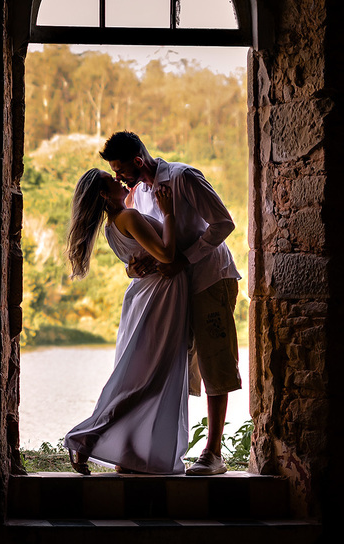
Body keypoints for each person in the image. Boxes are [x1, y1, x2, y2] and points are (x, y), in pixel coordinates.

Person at [101, 130, 243, 476]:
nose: (119, 179)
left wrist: (185, 259)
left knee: (214, 361)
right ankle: (158, 449)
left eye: (121, 171)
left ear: (138, 161)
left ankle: (212, 454)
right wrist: (132, 267)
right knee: (174, 367)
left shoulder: (183, 178)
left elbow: (224, 223)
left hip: (209, 279)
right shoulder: (140, 195)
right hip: (173, 291)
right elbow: (146, 243)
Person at [63, 169, 191, 475]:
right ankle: (86, 437)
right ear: (105, 195)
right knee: (151, 378)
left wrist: (133, 270)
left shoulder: (111, 227)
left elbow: (135, 263)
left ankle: (130, 453)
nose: (121, 182)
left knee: (142, 377)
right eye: (113, 181)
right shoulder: (129, 218)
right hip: (161, 295)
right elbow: (167, 254)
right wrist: (168, 212)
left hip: (146, 295)